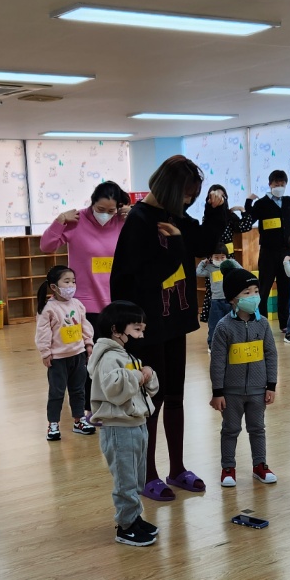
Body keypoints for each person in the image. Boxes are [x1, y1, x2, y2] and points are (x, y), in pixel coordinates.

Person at [109, 155, 228, 501]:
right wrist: (177, 246)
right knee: (151, 400)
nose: (189, 200)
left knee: (175, 396)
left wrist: (215, 211)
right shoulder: (139, 221)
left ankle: (177, 468)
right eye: (187, 194)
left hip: (174, 321)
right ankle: (148, 475)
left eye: (194, 195)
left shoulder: (174, 216)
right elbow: (142, 276)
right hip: (146, 328)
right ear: (170, 189)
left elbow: (203, 244)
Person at [88, 301, 161, 547]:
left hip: (137, 423)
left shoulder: (127, 355)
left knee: (137, 477)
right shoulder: (109, 358)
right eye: (137, 329)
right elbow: (114, 389)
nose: (141, 335)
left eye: (143, 330)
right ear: (116, 330)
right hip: (119, 428)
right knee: (125, 479)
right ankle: (125, 527)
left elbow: (148, 389)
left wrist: (148, 374)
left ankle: (133, 517)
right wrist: (139, 375)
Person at [208, 268, 278, 488]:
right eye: (247, 292)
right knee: (230, 430)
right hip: (231, 392)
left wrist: (271, 385)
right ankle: (228, 468)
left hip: (258, 390)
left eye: (256, 291)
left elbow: (271, 354)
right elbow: (217, 361)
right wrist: (218, 392)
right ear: (232, 299)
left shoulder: (263, 324)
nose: (254, 296)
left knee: (257, 429)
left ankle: (260, 465)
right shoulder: (223, 327)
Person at [39, 180, 131, 339]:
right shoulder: (77, 220)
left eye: (111, 210)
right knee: (88, 350)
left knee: (114, 351)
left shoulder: (122, 221)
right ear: (92, 202)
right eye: (100, 209)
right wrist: (60, 221)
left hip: (116, 301)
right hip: (84, 303)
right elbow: (46, 246)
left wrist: (134, 216)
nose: (105, 214)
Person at [245, 170, 290, 331]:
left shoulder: (288, 201)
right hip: (267, 252)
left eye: (282, 184)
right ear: (270, 185)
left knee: (285, 289)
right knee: (264, 289)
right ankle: (262, 324)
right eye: (276, 184)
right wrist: (248, 201)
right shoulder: (262, 204)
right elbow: (249, 218)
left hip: (286, 253)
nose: (279, 187)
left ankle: (285, 324)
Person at [35, 264, 95, 441]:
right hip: (58, 359)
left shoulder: (77, 304)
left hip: (78, 355)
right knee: (57, 393)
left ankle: (79, 420)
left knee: (78, 390)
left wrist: (88, 343)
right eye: (66, 282)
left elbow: (84, 325)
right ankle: (53, 424)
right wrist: (45, 352)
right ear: (54, 287)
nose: (71, 285)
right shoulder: (48, 309)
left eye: (73, 281)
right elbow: (43, 333)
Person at [196, 240, 243, 345]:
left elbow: (241, 271)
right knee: (214, 324)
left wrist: (232, 261)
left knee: (232, 322)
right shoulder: (210, 268)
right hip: (216, 301)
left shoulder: (230, 267)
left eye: (222, 257)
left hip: (229, 300)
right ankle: (212, 344)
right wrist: (203, 262)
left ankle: (231, 342)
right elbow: (198, 273)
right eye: (216, 257)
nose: (220, 260)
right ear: (211, 257)